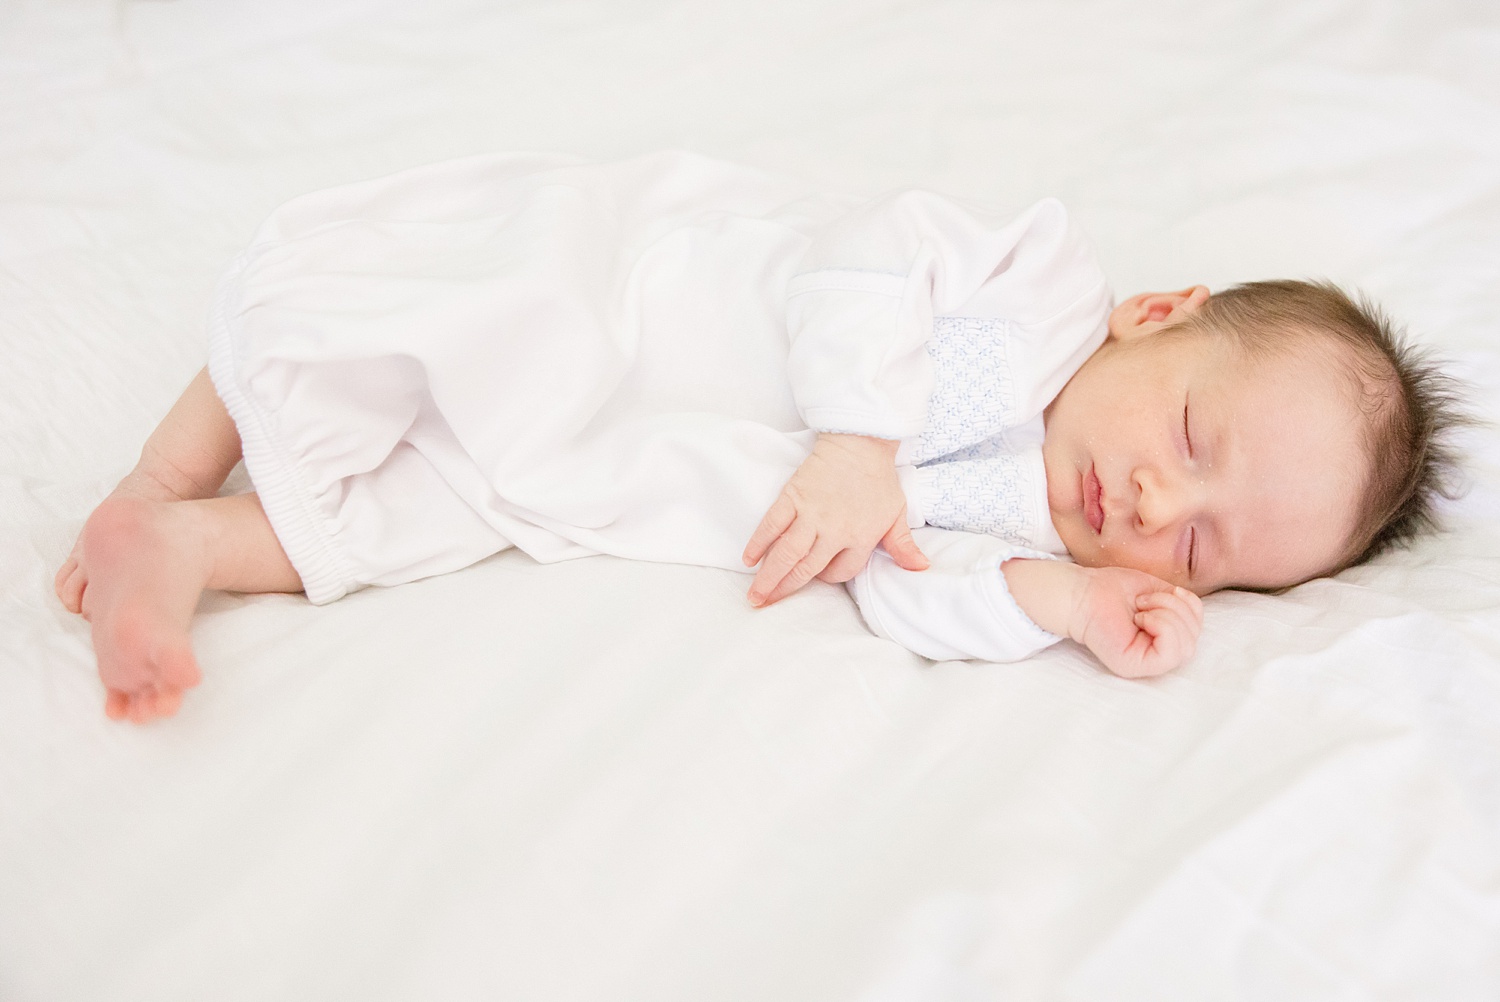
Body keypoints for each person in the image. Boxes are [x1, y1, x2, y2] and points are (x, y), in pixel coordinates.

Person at [52, 151, 1463, 724]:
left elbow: (920, 591)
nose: (1159, 497)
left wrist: (1080, 603)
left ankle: (178, 543)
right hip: (644, 305)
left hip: (621, 458)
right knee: (409, 322)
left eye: (1203, 546)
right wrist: (857, 434)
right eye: (1192, 433)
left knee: (437, 506)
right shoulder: (1037, 287)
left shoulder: (1022, 535)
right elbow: (871, 247)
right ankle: (160, 469)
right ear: (1162, 313)